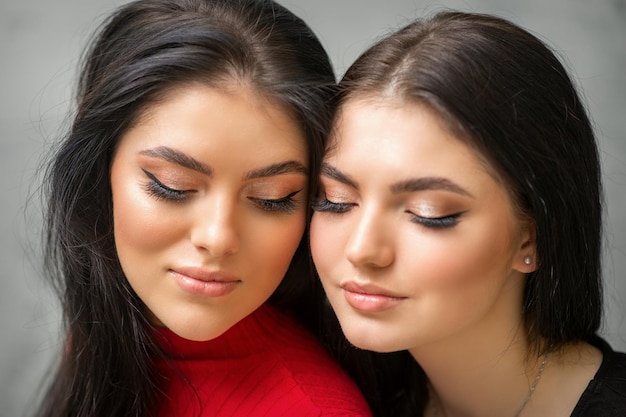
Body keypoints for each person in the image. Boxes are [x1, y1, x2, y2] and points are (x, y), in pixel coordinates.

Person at [35, 1, 373, 416]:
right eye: (173, 187)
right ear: (99, 173)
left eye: (273, 197)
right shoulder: (115, 328)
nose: (217, 238)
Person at [311, 11, 626, 417]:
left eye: (429, 213)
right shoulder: (333, 396)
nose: (362, 249)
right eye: (336, 199)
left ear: (532, 236)